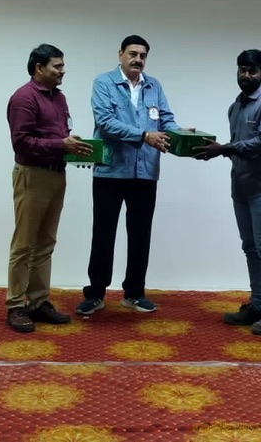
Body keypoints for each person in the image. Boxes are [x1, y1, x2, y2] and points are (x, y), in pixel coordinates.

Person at [76, 35, 180, 316]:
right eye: (132, 54)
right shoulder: (104, 83)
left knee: (140, 235)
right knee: (103, 234)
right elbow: (106, 123)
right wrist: (144, 135)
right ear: (120, 54)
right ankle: (95, 294)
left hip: (145, 172)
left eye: (143, 56)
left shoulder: (154, 86)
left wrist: (180, 134)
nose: (138, 60)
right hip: (110, 171)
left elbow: (166, 119)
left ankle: (134, 293)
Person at [195, 49, 261, 335]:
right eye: (242, 70)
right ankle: (258, 305)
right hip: (240, 187)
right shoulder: (234, 107)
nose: (246, 75)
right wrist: (213, 148)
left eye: (252, 71)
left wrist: (222, 149)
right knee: (250, 248)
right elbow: (236, 147)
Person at [5, 44, 93, 333]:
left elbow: (60, 135)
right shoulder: (24, 98)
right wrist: (61, 144)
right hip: (32, 175)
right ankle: (16, 305)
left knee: (45, 243)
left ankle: (38, 302)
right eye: (57, 66)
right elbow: (21, 143)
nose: (63, 71)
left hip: (56, 175)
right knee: (24, 244)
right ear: (39, 68)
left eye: (62, 65)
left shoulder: (59, 98)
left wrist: (72, 145)